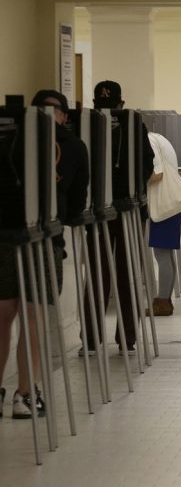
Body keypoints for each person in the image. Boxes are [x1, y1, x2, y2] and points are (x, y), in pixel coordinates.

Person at [0, 89, 89, 419]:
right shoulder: (74, 147)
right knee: (28, 316)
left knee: (14, 316)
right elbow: (77, 204)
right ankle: (25, 394)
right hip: (41, 237)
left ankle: (14, 391)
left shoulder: (9, 138)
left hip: (12, 236)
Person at [79, 80, 154, 356]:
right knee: (125, 274)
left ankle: (94, 338)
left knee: (102, 275)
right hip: (126, 209)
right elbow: (147, 165)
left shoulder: (89, 127)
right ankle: (126, 338)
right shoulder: (135, 126)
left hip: (103, 210)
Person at [146, 132, 181, 316]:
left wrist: (136, 183)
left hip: (163, 203)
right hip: (171, 203)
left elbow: (157, 174)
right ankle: (165, 301)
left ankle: (162, 302)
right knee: (166, 254)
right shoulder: (158, 137)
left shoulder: (149, 141)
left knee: (161, 254)